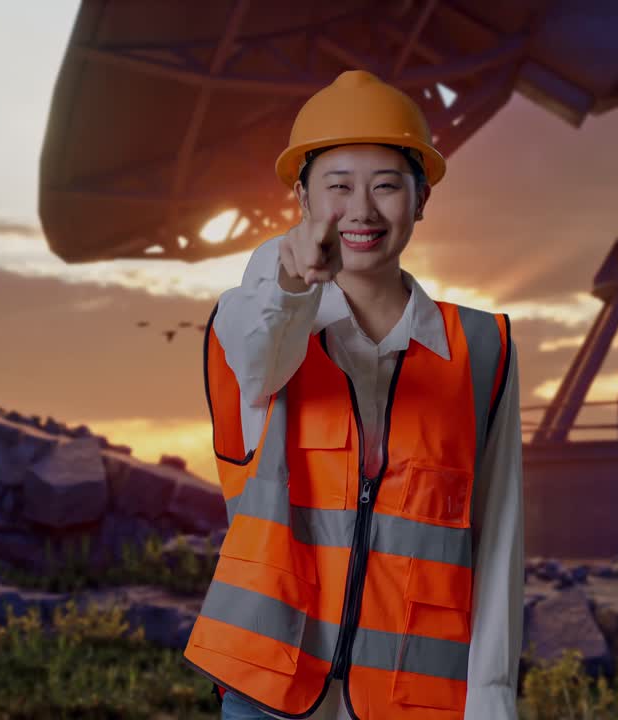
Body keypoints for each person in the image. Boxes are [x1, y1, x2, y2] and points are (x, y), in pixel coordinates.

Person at [183, 69, 524, 720]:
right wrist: (289, 274)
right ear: (302, 200)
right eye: (337, 187)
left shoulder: (483, 350)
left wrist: (493, 703)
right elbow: (262, 357)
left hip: (415, 700)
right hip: (267, 692)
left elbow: (499, 538)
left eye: (387, 186)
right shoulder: (254, 320)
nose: (362, 211)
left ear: (421, 200)